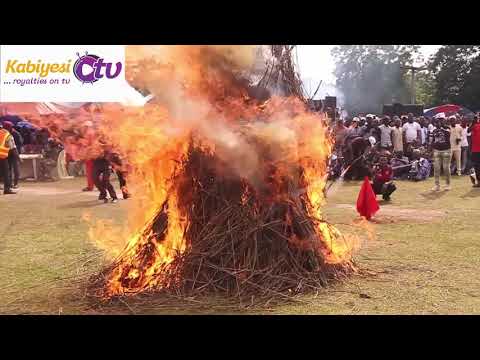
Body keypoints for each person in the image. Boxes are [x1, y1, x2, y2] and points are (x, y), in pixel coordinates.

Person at [430, 118, 452, 191]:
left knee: (446, 168)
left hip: (446, 150)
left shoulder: (447, 128)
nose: (437, 123)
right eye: (436, 122)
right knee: (436, 168)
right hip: (437, 151)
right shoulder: (434, 130)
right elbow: (432, 141)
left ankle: (448, 184)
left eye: (439, 121)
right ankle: (437, 185)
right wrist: (432, 147)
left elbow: (448, 135)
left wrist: (442, 129)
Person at [2, 121, 23, 189]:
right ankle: (8, 186)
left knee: (12, 169)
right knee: (7, 171)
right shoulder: (8, 135)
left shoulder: (16, 134)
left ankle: (15, 183)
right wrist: (19, 158)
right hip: (6, 154)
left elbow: (19, 143)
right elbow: (13, 148)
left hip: (8, 154)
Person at [0, 123, 17, 194]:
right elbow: (12, 146)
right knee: (6, 173)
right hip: (2, 156)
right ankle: (7, 189)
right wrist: (16, 156)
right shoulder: (6, 134)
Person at [469, 115, 480, 187]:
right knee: (476, 166)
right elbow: (468, 131)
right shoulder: (473, 126)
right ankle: (479, 182)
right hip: (475, 150)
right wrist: (473, 123)